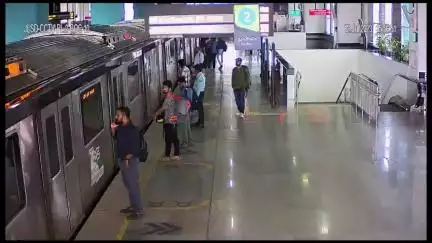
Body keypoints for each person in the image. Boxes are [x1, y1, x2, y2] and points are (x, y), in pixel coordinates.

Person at [110, 107, 143, 219]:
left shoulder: (132, 130)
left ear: (124, 116)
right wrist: (113, 130)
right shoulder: (121, 128)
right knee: (128, 184)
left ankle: (138, 210)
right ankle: (133, 206)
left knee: (133, 185)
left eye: (118, 115)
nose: (116, 117)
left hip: (130, 161)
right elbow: (116, 138)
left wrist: (127, 160)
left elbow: (134, 149)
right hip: (123, 160)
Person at [155, 80, 180, 161]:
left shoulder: (168, 98)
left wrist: (155, 114)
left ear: (169, 88)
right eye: (163, 87)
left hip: (170, 120)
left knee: (170, 138)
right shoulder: (172, 95)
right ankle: (173, 154)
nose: (163, 89)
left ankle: (170, 155)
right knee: (172, 137)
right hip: (173, 119)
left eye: (165, 87)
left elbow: (163, 108)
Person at [174, 77, 193, 148]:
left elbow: (181, 98)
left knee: (183, 127)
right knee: (187, 127)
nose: (178, 84)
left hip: (183, 111)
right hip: (186, 110)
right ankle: (189, 140)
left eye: (179, 83)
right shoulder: (186, 89)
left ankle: (185, 142)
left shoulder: (184, 90)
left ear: (182, 82)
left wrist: (175, 97)